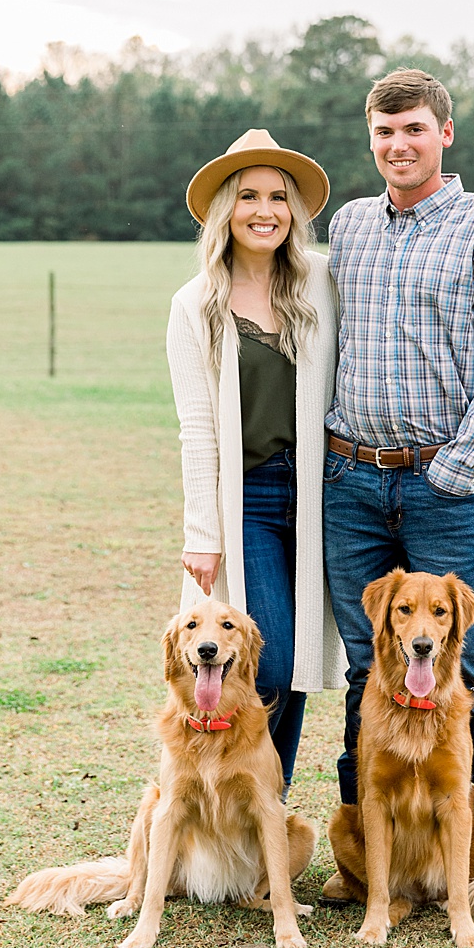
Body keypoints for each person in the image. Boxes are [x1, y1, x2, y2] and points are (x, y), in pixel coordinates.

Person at [318, 67, 474, 931]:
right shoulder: (347, 227)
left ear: (443, 134)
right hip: (350, 479)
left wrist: (455, 468)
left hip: (441, 484)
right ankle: (374, 868)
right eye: (383, 133)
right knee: (366, 670)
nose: (397, 145)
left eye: (413, 129)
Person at [166, 129, 346, 796]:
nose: (264, 209)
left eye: (278, 196)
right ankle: (233, 804)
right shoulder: (195, 306)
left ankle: (268, 812)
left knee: (299, 664)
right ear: (225, 211)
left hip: (328, 494)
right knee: (264, 664)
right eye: (248, 196)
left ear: (295, 211)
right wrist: (202, 534)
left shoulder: (323, 282)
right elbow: (196, 427)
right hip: (251, 502)